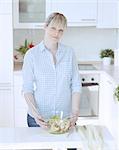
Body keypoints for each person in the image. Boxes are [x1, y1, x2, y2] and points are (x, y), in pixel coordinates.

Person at [22, 12, 81, 131]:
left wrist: (74, 113)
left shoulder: (69, 53)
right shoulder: (32, 55)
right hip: (39, 118)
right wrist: (36, 114)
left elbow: (76, 85)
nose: (56, 33)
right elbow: (27, 89)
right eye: (53, 28)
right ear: (45, 27)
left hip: (64, 118)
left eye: (61, 30)